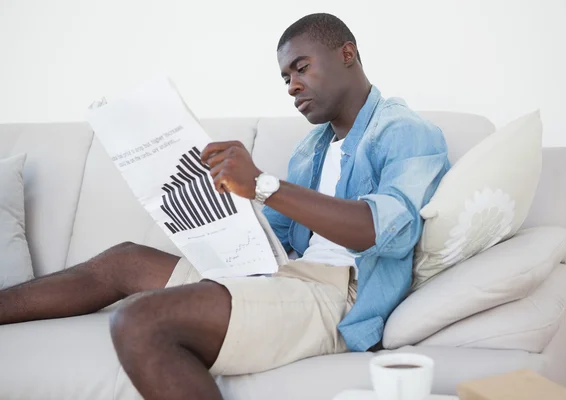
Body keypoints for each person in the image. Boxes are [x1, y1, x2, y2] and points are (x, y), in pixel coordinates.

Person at [0, 13, 450, 400]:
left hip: (339, 295)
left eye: (301, 68)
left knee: (140, 321)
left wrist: (262, 186)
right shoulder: (311, 148)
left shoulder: (404, 131)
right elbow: (275, 236)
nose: (293, 86)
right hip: (285, 275)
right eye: (285, 78)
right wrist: (223, 212)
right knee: (122, 261)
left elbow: (384, 229)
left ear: (347, 54)